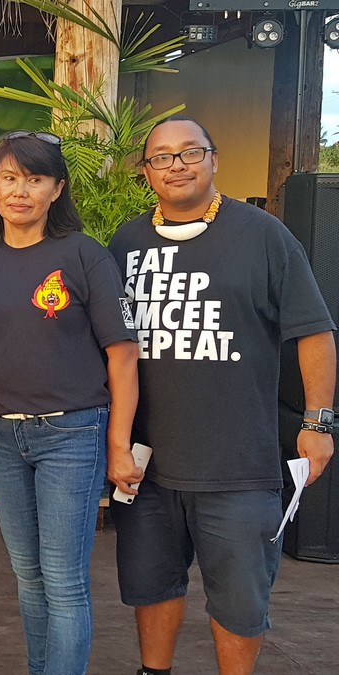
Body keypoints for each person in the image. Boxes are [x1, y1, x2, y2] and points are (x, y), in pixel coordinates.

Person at [107, 117, 336, 675]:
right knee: (150, 584)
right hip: (147, 463)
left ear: (214, 160)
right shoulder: (126, 241)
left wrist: (320, 421)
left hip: (237, 465)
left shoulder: (263, 235)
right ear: (147, 172)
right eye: (162, 157)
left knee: (239, 599)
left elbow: (314, 331)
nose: (177, 164)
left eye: (190, 152)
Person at [0, 131, 139, 675]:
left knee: (63, 578)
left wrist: (117, 446)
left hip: (73, 434)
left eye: (34, 179)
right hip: (5, 438)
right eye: (9, 178)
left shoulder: (82, 255)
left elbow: (122, 355)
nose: (20, 191)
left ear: (57, 189)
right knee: (26, 575)